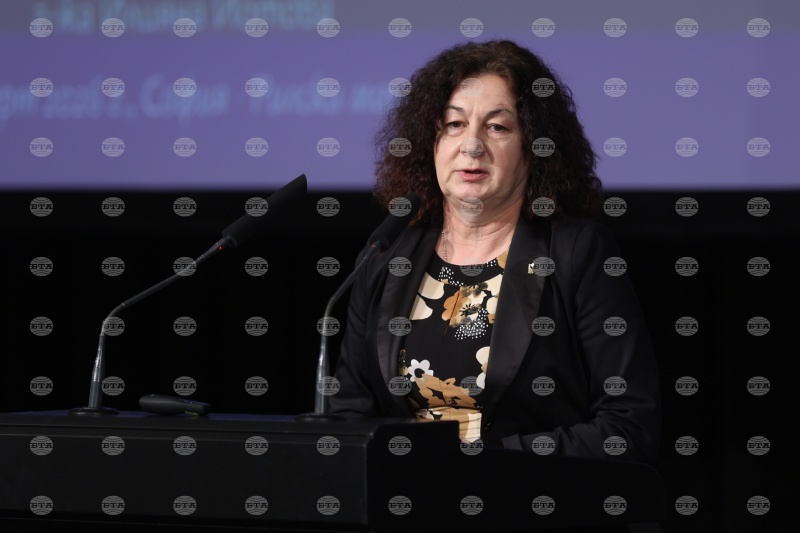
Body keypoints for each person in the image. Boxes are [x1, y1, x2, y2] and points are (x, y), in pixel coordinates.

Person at [328, 40, 661, 464]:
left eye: (498, 127)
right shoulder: (386, 256)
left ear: (533, 147)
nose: (471, 145)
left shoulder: (577, 253)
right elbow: (350, 416)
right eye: (454, 124)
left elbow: (628, 428)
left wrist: (482, 463)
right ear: (430, 141)